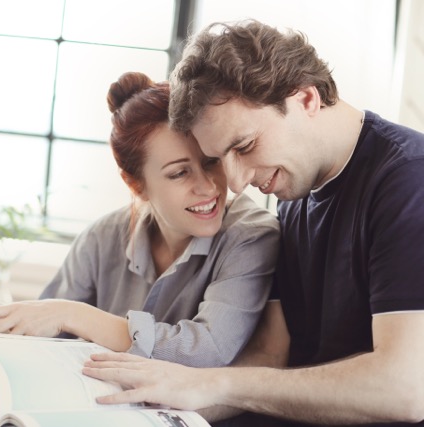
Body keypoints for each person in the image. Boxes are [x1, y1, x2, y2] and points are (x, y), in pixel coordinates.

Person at [82, 19, 424, 426]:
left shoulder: (408, 180)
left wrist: (215, 384)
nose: (238, 183)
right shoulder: (293, 195)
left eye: (244, 146)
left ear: (306, 99)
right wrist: (150, 409)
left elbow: (404, 388)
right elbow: (270, 354)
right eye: (220, 157)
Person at [0, 71, 280, 426]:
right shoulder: (103, 237)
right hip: (86, 401)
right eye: (179, 173)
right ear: (137, 185)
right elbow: (44, 341)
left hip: (168, 415)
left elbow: (208, 350)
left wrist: (73, 315)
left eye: (210, 162)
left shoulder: (250, 235)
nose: (209, 186)